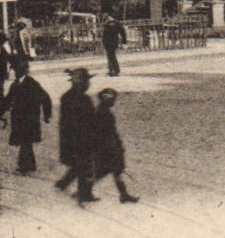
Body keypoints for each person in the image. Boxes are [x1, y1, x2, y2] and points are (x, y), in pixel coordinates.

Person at [1, 56, 52, 173]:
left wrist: (46, 115)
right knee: (25, 143)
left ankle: (25, 166)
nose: (14, 72)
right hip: (19, 119)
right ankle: (30, 165)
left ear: (23, 70)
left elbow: (45, 98)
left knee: (25, 142)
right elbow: (7, 101)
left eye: (16, 69)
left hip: (29, 119)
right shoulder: (15, 84)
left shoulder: (32, 83)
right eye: (14, 69)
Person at [87, 87, 139, 203]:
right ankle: (84, 191)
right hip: (107, 148)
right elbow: (108, 133)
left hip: (106, 147)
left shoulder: (101, 112)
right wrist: (116, 147)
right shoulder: (104, 114)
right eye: (113, 99)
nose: (114, 101)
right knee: (107, 171)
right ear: (107, 100)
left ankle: (123, 195)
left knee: (113, 171)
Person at [54, 67, 96, 202]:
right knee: (84, 165)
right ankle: (84, 194)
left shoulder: (77, 98)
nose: (88, 85)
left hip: (78, 138)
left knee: (81, 165)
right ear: (79, 82)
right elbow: (71, 122)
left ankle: (64, 183)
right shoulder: (74, 99)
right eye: (86, 81)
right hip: (77, 138)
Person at [101, 13, 127, 77]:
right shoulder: (116, 23)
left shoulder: (110, 24)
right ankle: (112, 70)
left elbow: (105, 35)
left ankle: (115, 70)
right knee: (110, 56)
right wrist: (124, 42)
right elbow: (123, 32)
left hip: (110, 42)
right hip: (112, 42)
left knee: (111, 56)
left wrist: (124, 42)